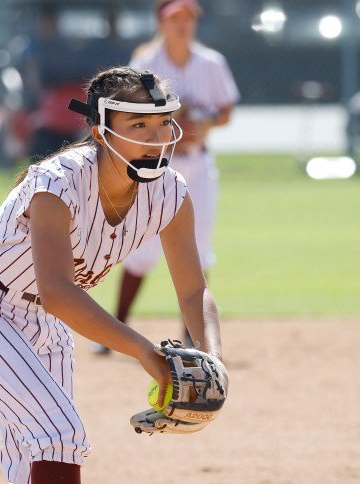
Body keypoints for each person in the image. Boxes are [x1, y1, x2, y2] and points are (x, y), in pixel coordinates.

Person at [0, 67, 224, 484]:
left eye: (163, 122)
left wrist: (214, 357)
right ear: (102, 132)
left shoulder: (170, 192)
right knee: (60, 434)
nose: (156, 135)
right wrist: (144, 351)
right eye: (138, 123)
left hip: (49, 323)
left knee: (32, 454)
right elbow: (57, 291)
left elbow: (194, 290)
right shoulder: (57, 182)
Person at [92, 0, 239, 355]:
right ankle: (115, 330)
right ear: (162, 21)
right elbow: (129, 113)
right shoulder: (145, 63)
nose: (183, 24)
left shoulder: (211, 62)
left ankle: (193, 337)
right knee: (141, 250)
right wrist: (176, 119)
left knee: (200, 248)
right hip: (153, 167)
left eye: (189, 17)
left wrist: (204, 123)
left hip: (198, 165)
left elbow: (226, 109)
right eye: (176, 18)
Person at [17, 5, 90, 162]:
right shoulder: (33, 46)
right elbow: (32, 77)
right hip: (43, 106)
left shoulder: (65, 46)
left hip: (71, 106)